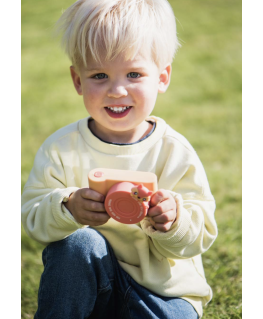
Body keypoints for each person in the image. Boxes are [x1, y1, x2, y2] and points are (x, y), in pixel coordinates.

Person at [21, 0, 218, 318]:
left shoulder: (172, 151)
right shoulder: (61, 149)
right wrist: (67, 207)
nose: (116, 90)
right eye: (99, 75)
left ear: (162, 77)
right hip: (91, 284)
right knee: (77, 243)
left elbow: (201, 234)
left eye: (134, 74)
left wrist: (173, 220)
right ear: (77, 81)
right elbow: (33, 219)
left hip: (162, 291)